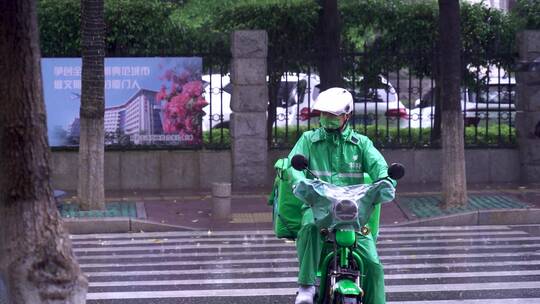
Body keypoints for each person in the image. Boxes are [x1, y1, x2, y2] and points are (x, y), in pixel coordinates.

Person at [288, 87, 391, 304]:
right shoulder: (308, 140)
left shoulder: (361, 144)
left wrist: (387, 179)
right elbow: (293, 166)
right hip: (319, 208)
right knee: (309, 227)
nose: (327, 118)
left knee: (373, 265)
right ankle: (306, 287)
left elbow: (380, 166)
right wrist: (300, 181)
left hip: (352, 214)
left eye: (333, 114)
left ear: (347, 115)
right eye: (324, 114)